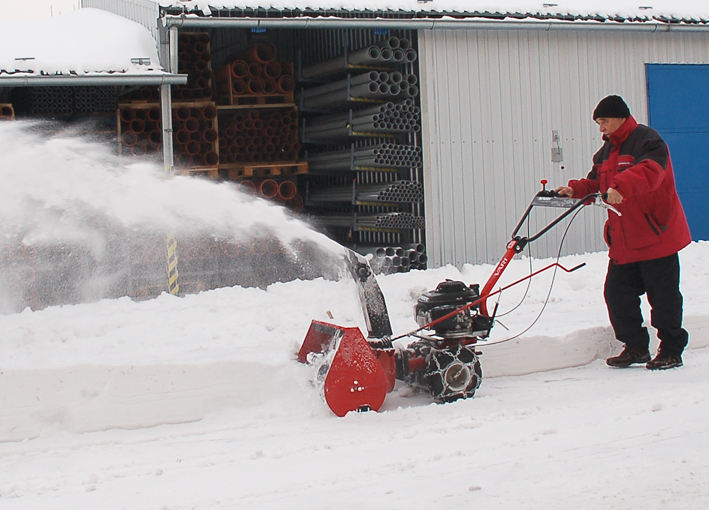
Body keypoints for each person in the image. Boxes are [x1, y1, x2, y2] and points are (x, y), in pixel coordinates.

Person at [556, 95, 691, 370]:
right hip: (625, 238)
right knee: (617, 294)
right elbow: (595, 180)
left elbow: (649, 171)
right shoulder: (606, 151)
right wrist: (575, 190)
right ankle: (636, 347)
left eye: (604, 121)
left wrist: (620, 186)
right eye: (598, 123)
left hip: (655, 235)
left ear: (620, 117)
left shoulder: (647, 141)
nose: (601, 127)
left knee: (663, 297)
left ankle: (671, 350)